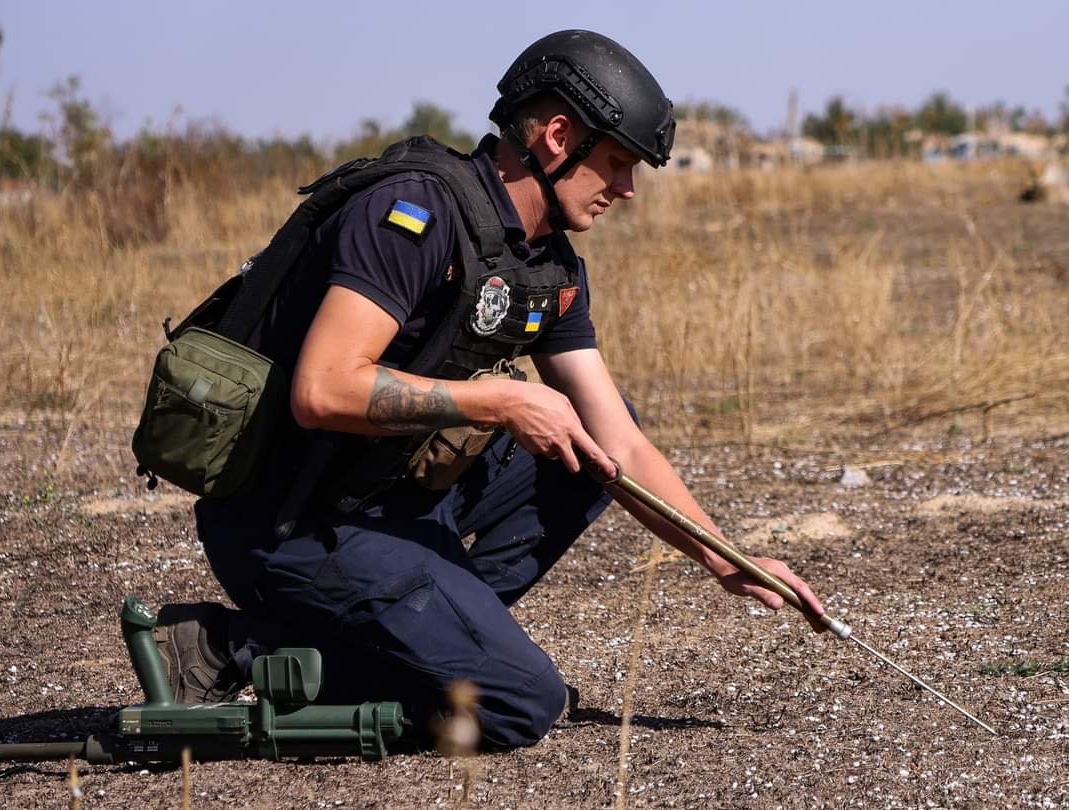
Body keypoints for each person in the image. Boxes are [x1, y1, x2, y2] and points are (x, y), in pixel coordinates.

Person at [154, 29, 826, 750]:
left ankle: (423, 630)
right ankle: (235, 647)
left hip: (394, 502)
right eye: (618, 164)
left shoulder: (547, 266)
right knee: (518, 704)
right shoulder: (415, 214)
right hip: (293, 523)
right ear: (560, 136)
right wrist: (501, 400)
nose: (627, 191)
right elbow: (322, 390)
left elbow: (620, 442)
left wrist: (726, 558)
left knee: (590, 441)